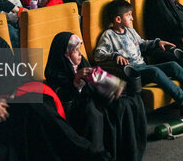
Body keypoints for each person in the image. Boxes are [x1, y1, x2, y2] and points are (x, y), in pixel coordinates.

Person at [0, 11, 108, 160]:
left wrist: (2, 98)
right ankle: (88, 152)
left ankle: (84, 152)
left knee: (41, 105)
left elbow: (13, 75)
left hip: (7, 101)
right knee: (35, 108)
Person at [94, 0, 183, 117]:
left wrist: (157, 42)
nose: (132, 18)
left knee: (173, 66)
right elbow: (98, 54)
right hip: (132, 73)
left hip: (143, 67)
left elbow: (142, 43)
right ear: (118, 19)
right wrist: (114, 55)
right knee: (155, 71)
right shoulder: (108, 35)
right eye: (129, 16)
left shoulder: (130, 31)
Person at [45, 32, 146, 161]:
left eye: (79, 50)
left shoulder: (82, 64)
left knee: (130, 101)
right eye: (75, 51)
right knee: (92, 112)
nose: (80, 54)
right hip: (78, 109)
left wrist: (109, 84)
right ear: (65, 54)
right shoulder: (55, 73)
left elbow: (106, 86)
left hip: (95, 99)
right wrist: (76, 82)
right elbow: (64, 98)